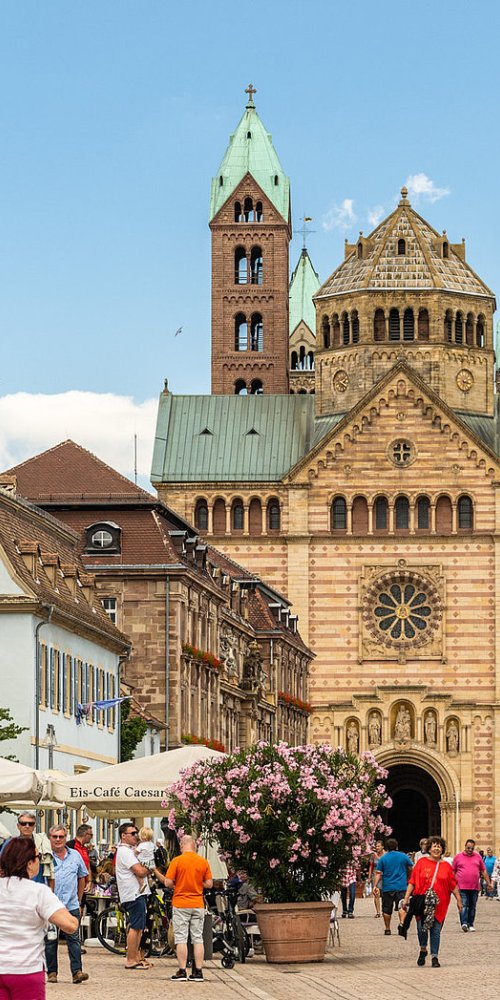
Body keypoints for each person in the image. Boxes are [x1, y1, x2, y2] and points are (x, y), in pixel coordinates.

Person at [0, 836, 78, 999]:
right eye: (38, 857)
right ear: (29, 863)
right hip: (26, 970)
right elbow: (70, 925)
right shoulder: (38, 892)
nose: (40, 862)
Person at [400, 835, 461, 968]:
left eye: (439, 846)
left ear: (442, 849)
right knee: (421, 929)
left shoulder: (446, 866)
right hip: (421, 902)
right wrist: (406, 898)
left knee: (435, 930)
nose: (437, 848)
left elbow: (453, 884)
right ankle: (423, 949)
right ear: (429, 848)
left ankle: (435, 956)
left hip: (440, 904)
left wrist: (459, 900)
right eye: (434, 846)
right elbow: (412, 882)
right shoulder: (421, 863)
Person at [160, 834, 213, 982]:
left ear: (182, 845)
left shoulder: (177, 861)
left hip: (181, 903)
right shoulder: (203, 862)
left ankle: (182, 971)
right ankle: (198, 972)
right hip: (198, 904)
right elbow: (209, 884)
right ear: (194, 846)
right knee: (197, 938)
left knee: (181, 938)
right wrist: (197, 883)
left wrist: (179, 883)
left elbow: (168, 883)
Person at [44, 825, 89, 985]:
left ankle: (77, 972)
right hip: (50, 906)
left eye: (61, 836)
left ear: (65, 837)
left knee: (74, 939)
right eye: (55, 836)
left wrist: (78, 899)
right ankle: (52, 972)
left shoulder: (75, 855)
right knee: (50, 940)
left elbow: (82, 877)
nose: (58, 839)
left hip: (71, 905)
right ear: (50, 838)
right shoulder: (45, 856)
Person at [115, 822, 153, 970]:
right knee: (136, 926)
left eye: (136, 833)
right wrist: (149, 867)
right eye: (133, 833)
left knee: (139, 926)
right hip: (133, 893)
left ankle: (136, 957)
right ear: (123, 836)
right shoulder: (124, 851)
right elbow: (140, 871)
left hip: (137, 892)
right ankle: (131, 959)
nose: (136, 836)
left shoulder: (130, 850)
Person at [0, 812, 54, 888]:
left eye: (30, 824)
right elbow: (2, 867)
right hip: (14, 889)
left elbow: (50, 872)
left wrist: (50, 893)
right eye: (23, 823)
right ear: (18, 826)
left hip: (36, 888)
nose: (27, 826)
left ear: (34, 826)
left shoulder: (42, 843)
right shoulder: (9, 844)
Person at [372, 837, 413, 935]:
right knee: (402, 906)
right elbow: (411, 867)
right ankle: (402, 923)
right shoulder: (403, 856)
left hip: (387, 887)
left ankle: (387, 928)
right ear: (397, 846)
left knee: (387, 908)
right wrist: (409, 877)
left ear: (386, 847)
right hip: (401, 886)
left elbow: (378, 873)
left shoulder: (383, 858)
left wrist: (375, 885)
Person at [453, 838, 492, 931]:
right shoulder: (458, 857)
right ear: (465, 847)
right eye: (468, 848)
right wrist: (453, 884)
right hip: (462, 887)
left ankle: (470, 924)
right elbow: (453, 871)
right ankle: (464, 923)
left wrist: (488, 883)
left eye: (472, 848)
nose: (470, 850)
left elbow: (483, 870)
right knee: (464, 905)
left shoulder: (478, 857)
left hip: (474, 887)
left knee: (472, 906)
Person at [368, 840, 385, 917]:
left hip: (384, 875)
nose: (377, 848)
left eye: (378, 846)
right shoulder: (373, 855)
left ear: (382, 847)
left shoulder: (386, 855)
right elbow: (371, 866)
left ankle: (385, 910)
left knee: (385, 894)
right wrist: (369, 877)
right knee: (376, 894)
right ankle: (378, 912)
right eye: (376, 846)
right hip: (375, 875)